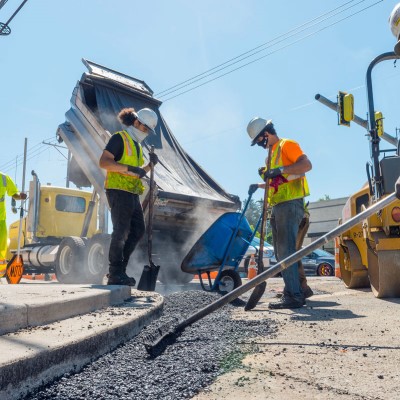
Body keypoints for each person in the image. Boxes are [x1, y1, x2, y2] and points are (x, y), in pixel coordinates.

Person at [247, 118, 312, 309]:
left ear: (266, 134)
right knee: (281, 252)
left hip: (290, 204)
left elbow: (306, 166)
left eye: (259, 141)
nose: (260, 145)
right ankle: (294, 291)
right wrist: (260, 184)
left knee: (286, 251)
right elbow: (277, 183)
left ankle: (294, 295)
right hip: (279, 205)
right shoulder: (271, 155)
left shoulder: (287, 145)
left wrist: (279, 170)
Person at [99, 107, 159, 286]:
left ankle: (120, 271)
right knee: (121, 231)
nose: (146, 132)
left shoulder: (138, 147)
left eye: (148, 130)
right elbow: (104, 162)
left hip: (132, 192)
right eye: (145, 128)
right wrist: (128, 169)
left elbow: (138, 173)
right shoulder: (119, 138)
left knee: (138, 230)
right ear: (136, 122)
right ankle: (114, 272)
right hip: (117, 190)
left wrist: (150, 166)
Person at [0, 172, 27, 277]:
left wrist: (20, 196)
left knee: (2, 247)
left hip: (1, 220)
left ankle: (0, 274)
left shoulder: (4, 178)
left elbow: (14, 194)